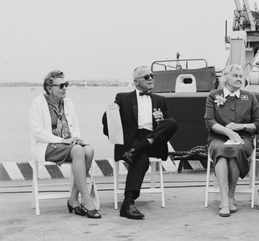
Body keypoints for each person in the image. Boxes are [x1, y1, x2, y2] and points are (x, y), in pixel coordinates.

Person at [102, 66, 178, 220]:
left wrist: (161, 120)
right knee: (141, 159)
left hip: (153, 140)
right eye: (146, 77)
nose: (151, 79)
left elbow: (167, 127)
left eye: (152, 76)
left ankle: (136, 150)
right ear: (136, 82)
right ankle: (128, 203)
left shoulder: (160, 100)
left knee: (172, 123)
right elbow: (107, 124)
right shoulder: (123, 98)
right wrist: (111, 110)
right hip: (132, 140)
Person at [29, 70, 101, 219]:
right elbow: (37, 132)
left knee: (88, 150)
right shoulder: (37, 103)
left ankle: (73, 199)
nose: (64, 88)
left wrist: (76, 138)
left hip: (68, 144)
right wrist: (61, 140)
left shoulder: (68, 103)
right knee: (78, 151)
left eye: (66, 85)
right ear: (49, 88)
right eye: (61, 85)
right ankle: (86, 200)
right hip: (47, 145)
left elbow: (75, 126)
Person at [204, 64, 259, 217]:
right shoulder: (213, 95)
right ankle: (225, 199)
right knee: (222, 150)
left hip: (243, 138)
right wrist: (228, 132)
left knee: (235, 150)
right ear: (225, 78)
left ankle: (231, 195)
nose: (239, 79)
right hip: (218, 137)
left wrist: (240, 126)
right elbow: (209, 121)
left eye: (240, 76)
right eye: (235, 76)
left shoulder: (250, 97)